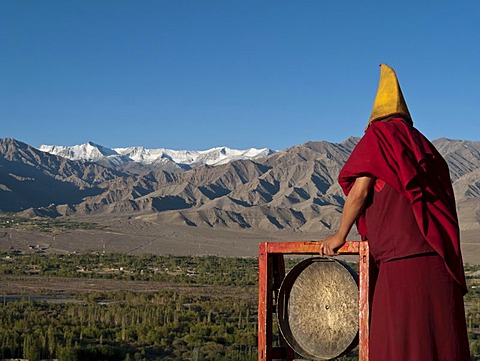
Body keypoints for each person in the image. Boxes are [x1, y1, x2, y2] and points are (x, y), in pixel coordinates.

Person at [320, 64, 470, 360]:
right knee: (440, 343)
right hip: (439, 264)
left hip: (402, 268)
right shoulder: (426, 148)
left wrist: (340, 235)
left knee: (399, 345)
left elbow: (359, 192)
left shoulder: (380, 138)